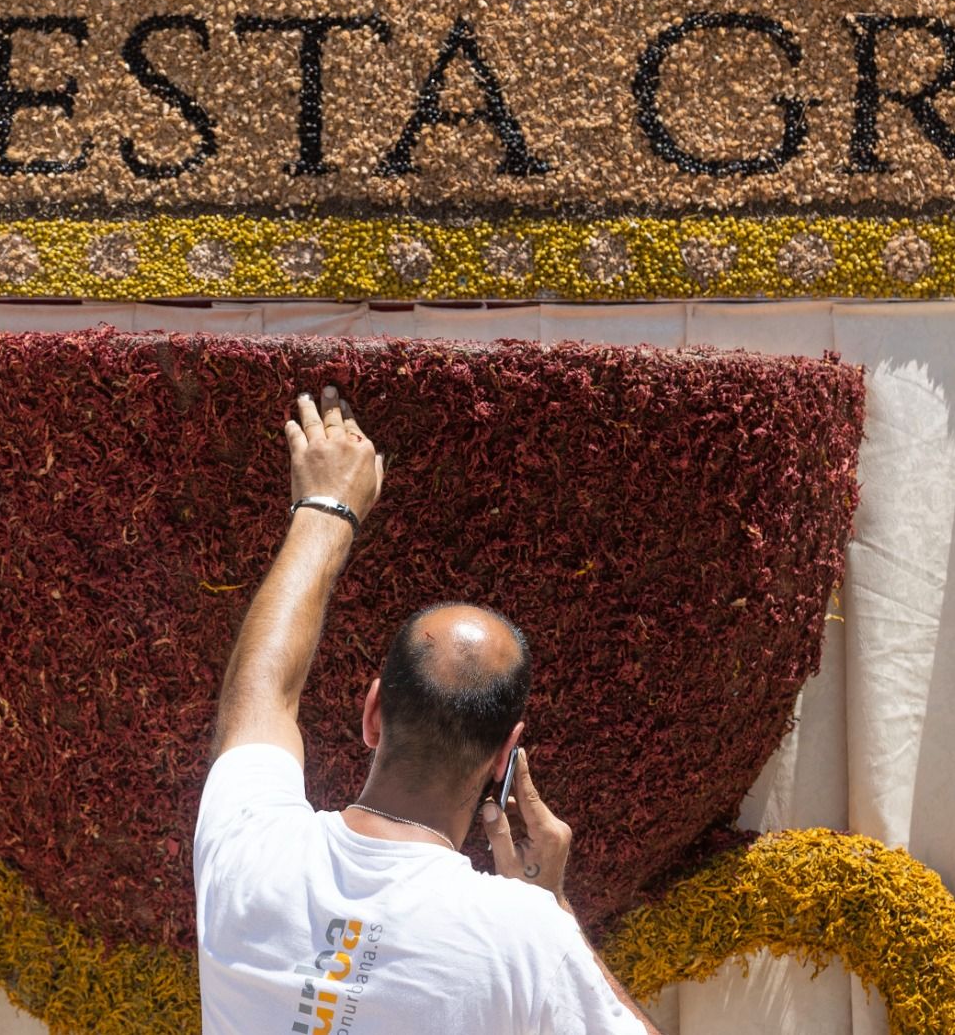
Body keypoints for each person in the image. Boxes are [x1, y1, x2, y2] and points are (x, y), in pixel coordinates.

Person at [194, 385, 661, 1035]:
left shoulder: (251, 852)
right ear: (506, 756)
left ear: (373, 712)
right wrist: (553, 907)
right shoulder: (523, 939)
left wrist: (327, 508)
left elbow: (260, 696)